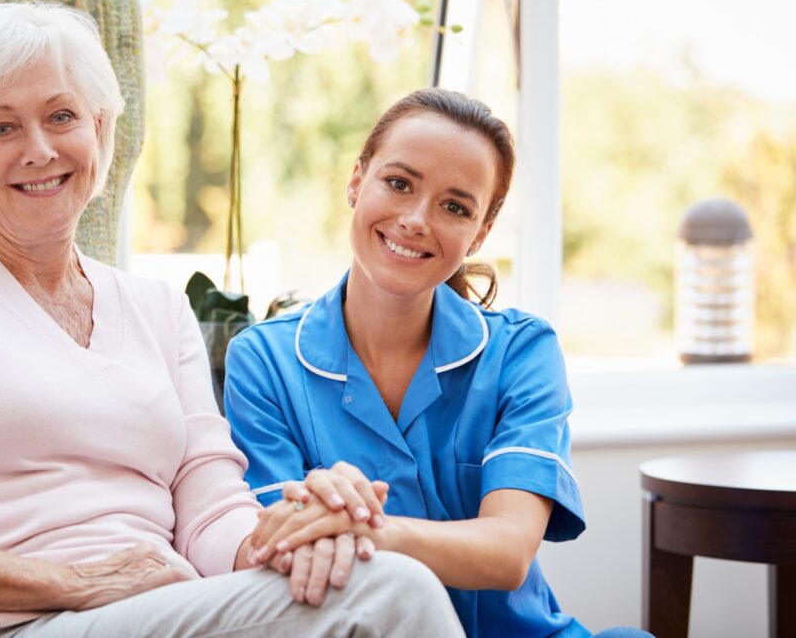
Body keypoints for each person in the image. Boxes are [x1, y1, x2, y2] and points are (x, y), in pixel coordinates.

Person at [0, 4, 463, 638]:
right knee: (395, 595)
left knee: (367, 574)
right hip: (8, 623)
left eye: (62, 117)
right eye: (0, 128)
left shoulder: (156, 306)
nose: (39, 149)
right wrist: (72, 582)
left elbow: (213, 509)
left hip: (161, 609)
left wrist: (296, 534)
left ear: (98, 130)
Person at [225, 89, 652, 638]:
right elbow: (277, 542)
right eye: (399, 183)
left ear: (480, 233)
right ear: (356, 182)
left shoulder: (523, 352)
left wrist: (363, 527)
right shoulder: (263, 361)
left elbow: (507, 552)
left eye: (455, 206)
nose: (416, 220)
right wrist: (322, 525)